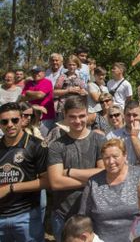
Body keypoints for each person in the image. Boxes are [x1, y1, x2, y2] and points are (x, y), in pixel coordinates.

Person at [47, 96, 106, 242]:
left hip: (94, 215)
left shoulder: (99, 141)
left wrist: (68, 172)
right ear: (65, 117)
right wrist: (92, 180)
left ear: (87, 114)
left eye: (81, 116)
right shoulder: (56, 146)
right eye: (72, 117)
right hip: (63, 214)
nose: (78, 121)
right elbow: (55, 183)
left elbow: (104, 173)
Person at [79, 138, 140, 242]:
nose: (111, 162)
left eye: (115, 156)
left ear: (125, 156)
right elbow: (83, 218)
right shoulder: (93, 183)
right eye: (106, 158)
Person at [0, 102, 49, 241]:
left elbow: (47, 181)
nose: (10, 124)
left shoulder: (37, 145)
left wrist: (10, 188)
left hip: (26, 216)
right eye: (4, 121)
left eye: (14, 120)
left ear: (22, 119)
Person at [20, 65, 55, 137]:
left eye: (37, 72)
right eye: (33, 72)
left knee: (42, 139)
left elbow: (40, 95)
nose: (35, 74)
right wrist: (33, 96)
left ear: (43, 73)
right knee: (30, 138)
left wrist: (28, 92)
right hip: (31, 116)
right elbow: (22, 97)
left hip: (46, 116)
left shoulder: (47, 82)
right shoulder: (29, 83)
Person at [107, 100, 140, 165]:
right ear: (124, 116)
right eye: (128, 115)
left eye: (135, 115)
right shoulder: (112, 136)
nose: (131, 119)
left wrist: (134, 137)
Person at [54, 55, 88, 119]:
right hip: (63, 108)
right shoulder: (62, 77)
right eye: (70, 65)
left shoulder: (79, 77)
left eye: (74, 65)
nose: (72, 67)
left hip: (76, 107)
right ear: (66, 65)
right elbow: (54, 92)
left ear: (77, 65)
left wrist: (83, 92)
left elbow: (83, 91)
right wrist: (68, 90)